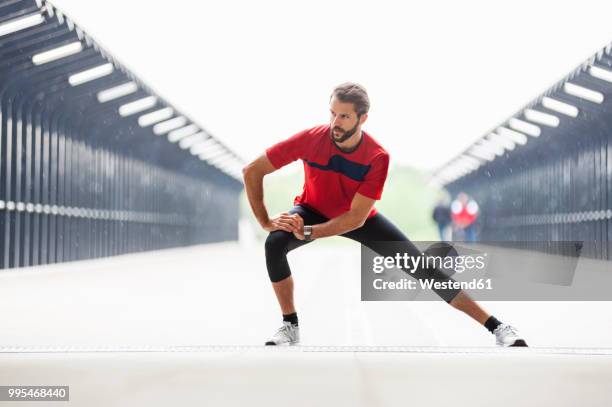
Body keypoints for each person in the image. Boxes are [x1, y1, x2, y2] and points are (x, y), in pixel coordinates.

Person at [242, 82, 527, 347]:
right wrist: (266, 222)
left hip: (359, 216)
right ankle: (290, 326)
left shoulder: (377, 156)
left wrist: (307, 232)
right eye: (332, 114)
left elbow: (355, 219)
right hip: (312, 209)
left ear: (362, 119)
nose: (334, 123)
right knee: (275, 243)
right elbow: (252, 170)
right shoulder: (311, 139)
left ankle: (498, 327)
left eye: (344, 117)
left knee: (423, 268)